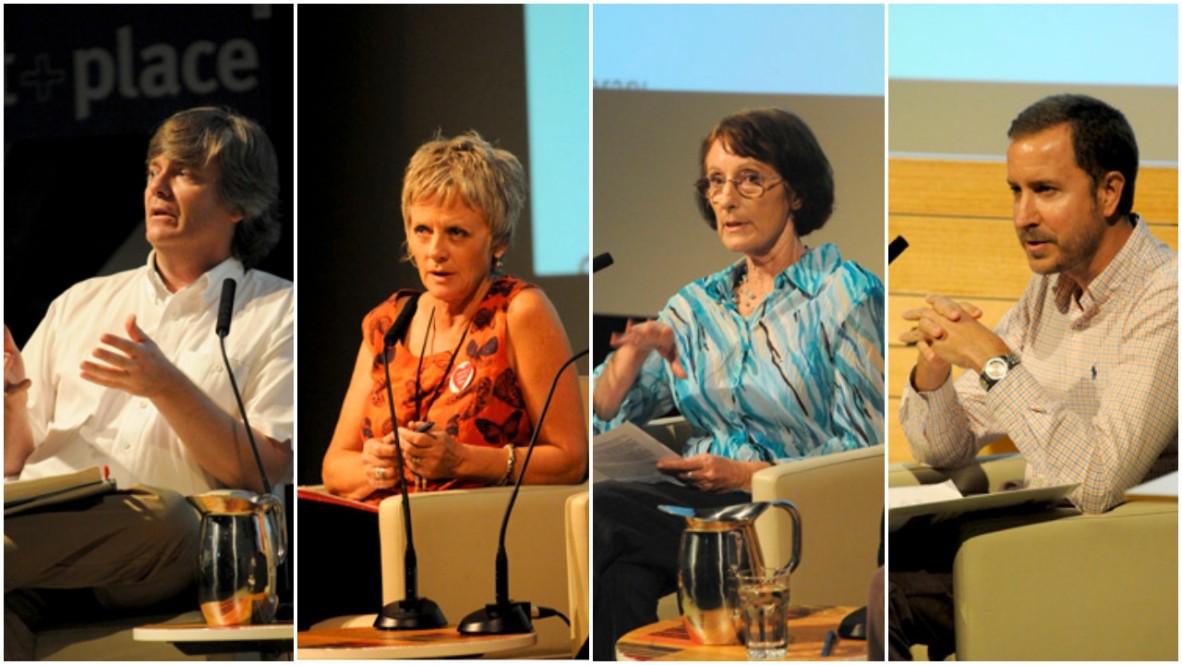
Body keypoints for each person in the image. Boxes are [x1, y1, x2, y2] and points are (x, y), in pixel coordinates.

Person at [890, 94, 1177, 659]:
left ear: (1109, 192)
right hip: (1028, 538)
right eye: (1015, 192)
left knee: (888, 591)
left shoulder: (1166, 297)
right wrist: (936, 370)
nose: (1023, 216)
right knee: (879, 545)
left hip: (1112, 561)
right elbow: (943, 449)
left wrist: (995, 361)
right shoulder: (1047, 288)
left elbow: (1095, 487)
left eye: (1045, 191)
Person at [593, 108, 884, 658]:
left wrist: (747, 473)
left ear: (796, 193)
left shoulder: (844, 293)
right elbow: (604, 420)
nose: (726, 198)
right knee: (620, 563)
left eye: (749, 178)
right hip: (695, 509)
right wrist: (627, 361)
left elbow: (864, 446)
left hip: (783, 514)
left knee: (605, 518)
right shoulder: (694, 306)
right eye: (716, 182)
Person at [3, 107, 293, 659]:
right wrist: (13, 399)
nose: (157, 186)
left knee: (167, 514)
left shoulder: (278, 309)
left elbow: (262, 470)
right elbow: (13, 460)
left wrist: (165, 385)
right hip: (43, 550)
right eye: (153, 170)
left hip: (169, 553)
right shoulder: (81, 302)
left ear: (238, 204)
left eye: (183, 173)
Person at [320, 132, 586, 502]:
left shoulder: (518, 312)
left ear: (498, 242)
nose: (435, 251)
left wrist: (462, 460)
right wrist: (379, 467)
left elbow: (569, 461)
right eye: (422, 231)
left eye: (456, 233)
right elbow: (335, 465)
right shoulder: (387, 324)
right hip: (383, 532)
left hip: (475, 532)